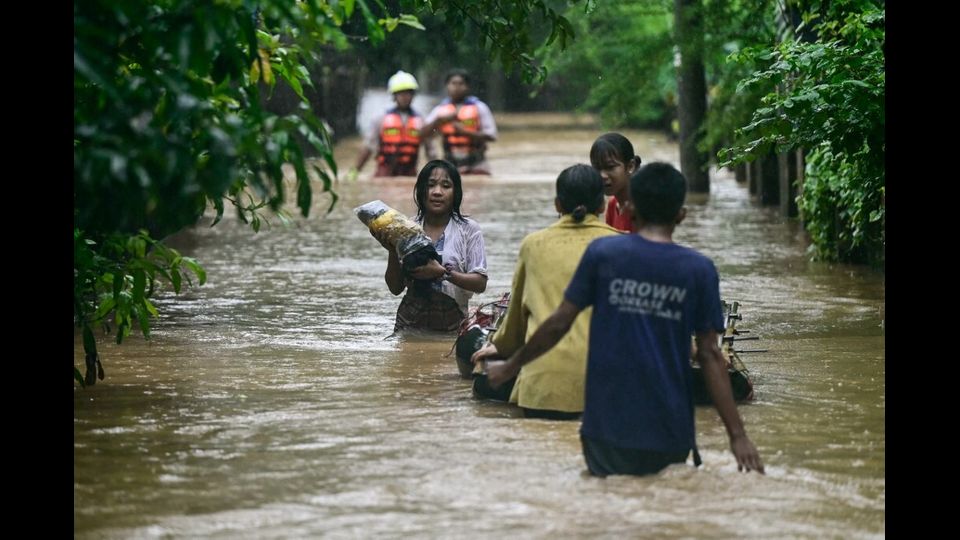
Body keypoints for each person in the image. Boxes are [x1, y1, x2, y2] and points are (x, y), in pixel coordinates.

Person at [487, 162, 764, 477]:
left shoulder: (604, 255)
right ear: (681, 215)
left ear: (629, 207)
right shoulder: (699, 270)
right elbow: (710, 355)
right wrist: (738, 436)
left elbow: (558, 322)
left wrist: (510, 366)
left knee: (609, 507)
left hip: (607, 427)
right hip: (669, 426)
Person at [470, 165, 620, 420]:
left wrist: (499, 347)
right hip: (608, 388)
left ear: (557, 204)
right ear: (602, 205)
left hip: (544, 387)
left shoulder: (534, 245)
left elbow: (516, 318)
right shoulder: (622, 244)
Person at [373, 160, 488, 332]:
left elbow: (480, 283)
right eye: (431, 185)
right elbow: (395, 288)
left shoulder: (469, 229)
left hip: (454, 326)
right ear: (420, 191)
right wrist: (392, 249)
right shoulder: (406, 228)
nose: (437, 192)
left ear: (455, 193)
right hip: (409, 324)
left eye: (446, 186)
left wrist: (443, 273)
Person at [348, 71, 434, 180]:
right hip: (384, 175)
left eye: (408, 93)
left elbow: (431, 151)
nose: (404, 97)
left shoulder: (422, 122)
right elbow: (368, 148)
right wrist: (355, 172)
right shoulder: (380, 120)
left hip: (409, 175)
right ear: (394, 96)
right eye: (400, 93)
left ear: (413, 95)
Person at [422, 69, 498, 175]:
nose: (457, 87)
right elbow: (423, 134)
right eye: (453, 84)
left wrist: (466, 133)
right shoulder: (440, 110)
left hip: (477, 163)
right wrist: (439, 121)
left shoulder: (480, 107)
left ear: (467, 87)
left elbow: (492, 135)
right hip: (450, 163)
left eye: (461, 84)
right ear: (447, 86)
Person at [589, 132, 642, 232]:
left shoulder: (641, 208)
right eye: (597, 168)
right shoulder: (613, 204)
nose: (602, 175)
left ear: (630, 166)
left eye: (610, 167)